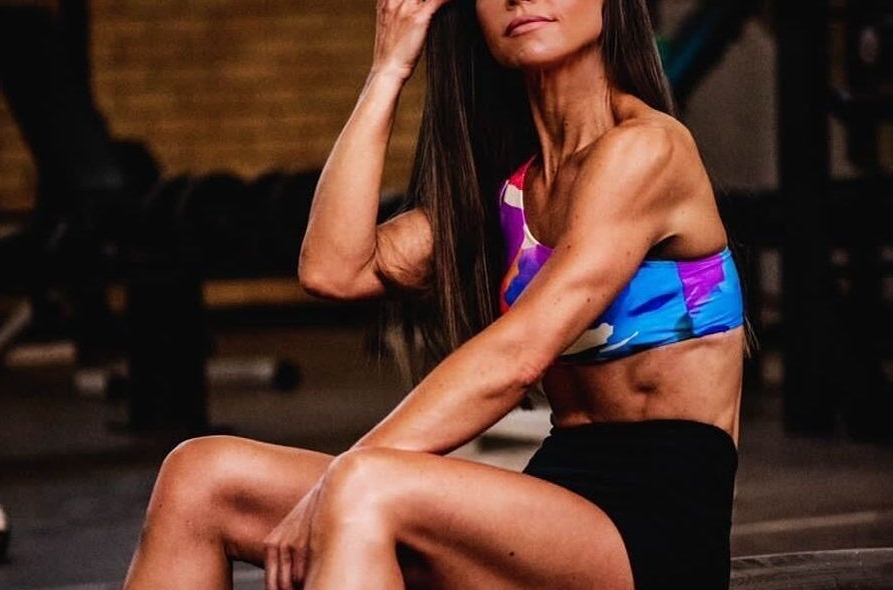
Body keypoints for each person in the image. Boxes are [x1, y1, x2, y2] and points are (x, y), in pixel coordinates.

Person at [122, 0, 748, 588]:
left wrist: (339, 479)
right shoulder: (510, 191)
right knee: (200, 476)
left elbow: (521, 352)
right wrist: (388, 69)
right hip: (552, 506)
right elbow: (335, 269)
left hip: (655, 534)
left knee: (366, 484)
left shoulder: (647, 149)